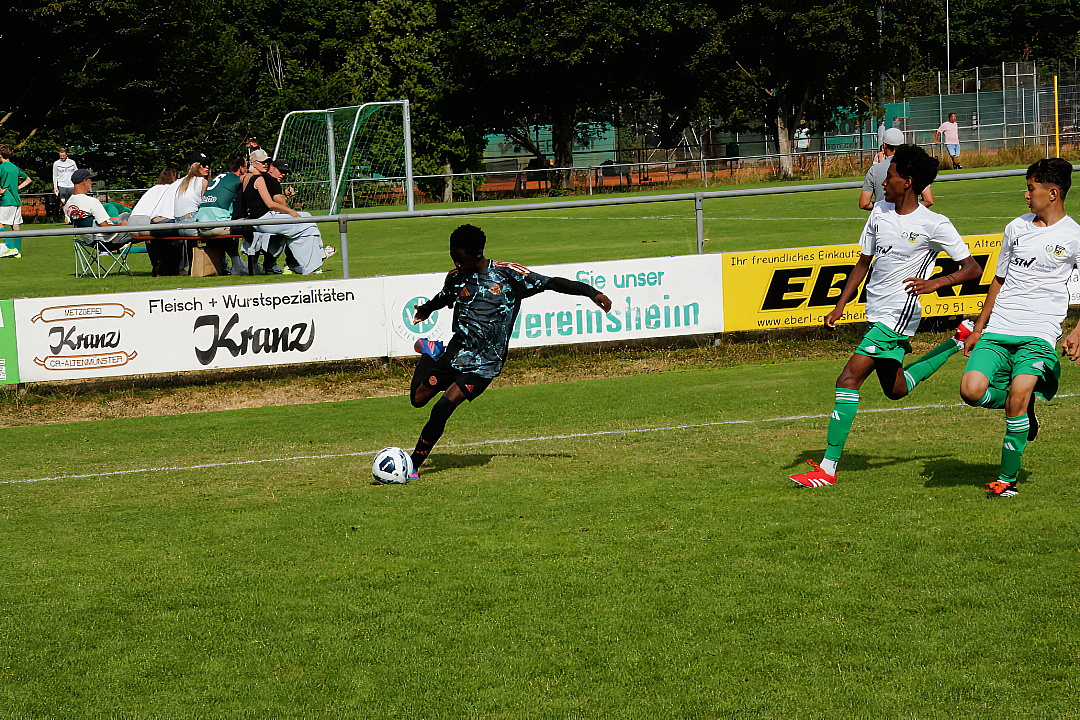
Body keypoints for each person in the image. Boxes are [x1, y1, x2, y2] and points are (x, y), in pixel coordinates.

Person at [790, 144, 984, 488]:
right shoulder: (879, 211)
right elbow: (863, 263)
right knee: (896, 389)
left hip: (898, 315)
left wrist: (935, 283)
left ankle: (828, 468)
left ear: (907, 182)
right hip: (876, 311)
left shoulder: (934, 224)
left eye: (890, 175)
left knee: (847, 379)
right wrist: (841, 304)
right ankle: (956, 341)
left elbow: (972, 269)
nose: (883, 181)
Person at [406, 224, 613, 481]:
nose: (457, 264)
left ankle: (413, 466)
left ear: (478, 253)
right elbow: (443, 297)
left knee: (442, 409)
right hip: (455, 353)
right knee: (418, 399)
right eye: (453, 258)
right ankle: (430, 351)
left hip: (485, 365)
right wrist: (426, 309)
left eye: (462, 259)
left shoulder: (508, 275)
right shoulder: (456, 277)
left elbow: (552, 283)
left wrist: (592, 293)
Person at [959, 158, 1080, 498]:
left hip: (1039, 333)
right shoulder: (1016, 228)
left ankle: (1006, 481)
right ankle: (1022, 405)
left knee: (1018, 394)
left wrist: (1077, 331)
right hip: (1000, 327)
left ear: (1052, 193)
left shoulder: (1074, 236)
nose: (1026, 195)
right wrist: (979, 328)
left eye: (1031, 189)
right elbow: (998, 280)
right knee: (970, 391)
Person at [244, 158, 333, 275]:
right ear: (272, 168)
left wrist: (284, 197)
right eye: (280, 171)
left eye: (285, 172)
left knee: (307, 219)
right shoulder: (270, 181)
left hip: (255, 220)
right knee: (307, 225)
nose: (283, 174)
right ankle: (306, 263)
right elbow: (278, 205)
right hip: (261, 222)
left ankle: (305, 259)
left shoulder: (258, 178)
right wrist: (291, 210)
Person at [195, 154, 248, 275]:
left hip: (201, 224)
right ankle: (243, 264)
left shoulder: (218, 177)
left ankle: (237, 263)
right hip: (216, 225)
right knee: (245, 226)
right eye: (246, 166)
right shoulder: (236, 180)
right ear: (241, 168)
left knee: (230, 224)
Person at [860, 128, 934, 210]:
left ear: (884, 146)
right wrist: (909, 206)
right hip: (908, 215)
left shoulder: (874, 169)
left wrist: (882, 206)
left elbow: (864, 203)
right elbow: (928, 200)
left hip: (884, 216)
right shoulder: (912, 165)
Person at [128, 167, 182, 275]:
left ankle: (156, 264)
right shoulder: (170, 189)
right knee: (177, 236)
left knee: (153, 240)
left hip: (132, 222)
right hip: (147, 220)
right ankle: (175, 267)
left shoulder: (153, 188)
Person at [64, 169, 132, 251]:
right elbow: (104, 227)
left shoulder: (68, 204)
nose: (91, 183)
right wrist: (121, 226)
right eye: (90, 180)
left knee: (125, 216)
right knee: (142, 230)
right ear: (85, 182)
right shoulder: (91, 201)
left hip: (90, 241)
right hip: (108, 240)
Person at [0, 145, 32, 258]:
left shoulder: (2, 167)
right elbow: (28, 179)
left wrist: (2, 190)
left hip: (6, 200)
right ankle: (17, 251)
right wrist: (17, 188)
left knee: (0, 224)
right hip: (16, 200)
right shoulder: (14, 167)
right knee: (15, 225)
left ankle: (11, 247)